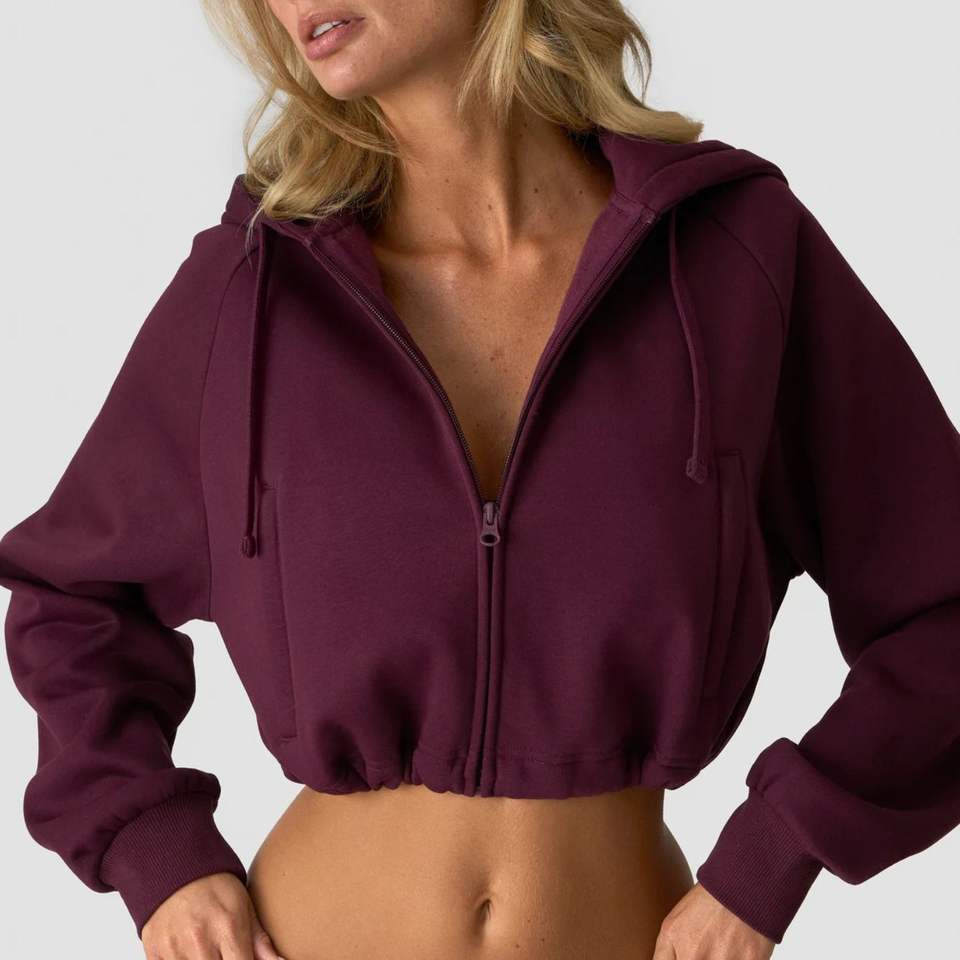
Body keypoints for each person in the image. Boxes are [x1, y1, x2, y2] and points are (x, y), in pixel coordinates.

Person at [2, 1, 959, 958]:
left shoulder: (729, 258)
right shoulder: (256, 287)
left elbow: (943, 606)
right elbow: (73, 598)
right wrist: (157, 849)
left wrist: (778, 852)